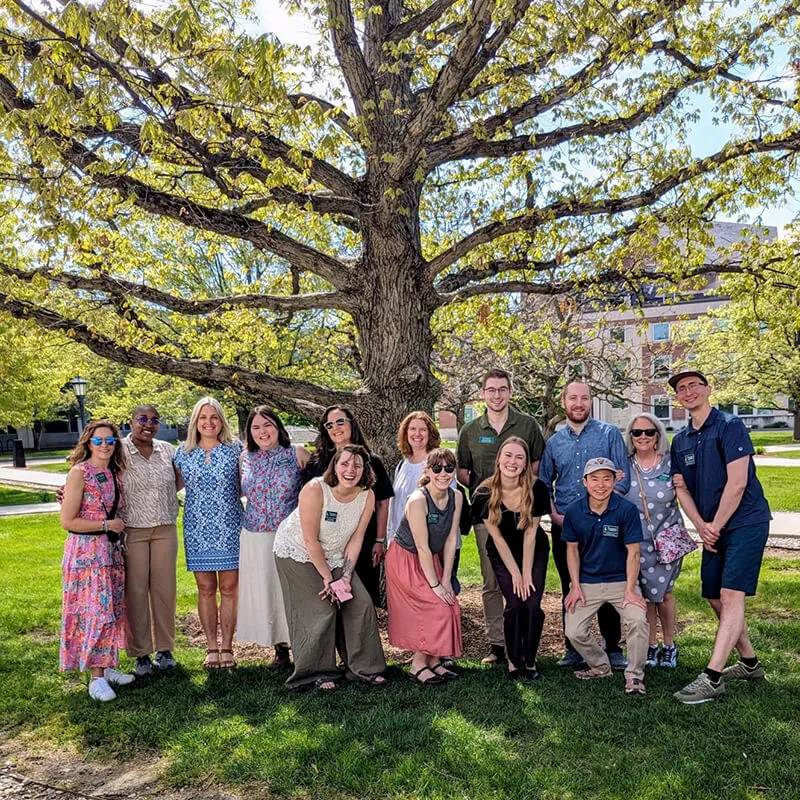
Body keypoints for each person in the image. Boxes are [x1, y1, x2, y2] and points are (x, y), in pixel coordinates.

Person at [668, 370, 772, 705]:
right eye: (682, 389)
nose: (688, 391)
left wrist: (716, 524)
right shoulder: (680, 440)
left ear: (708, 389)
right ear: (678, 398)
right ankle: (750, 664)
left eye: (694, 385)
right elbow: (681, 488)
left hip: (745, 522)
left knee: (730, 596)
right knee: (714, 596)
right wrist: (701, 525)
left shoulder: (730, 426)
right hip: (712, 527)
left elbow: (738, 482)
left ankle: (712, 678)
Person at [274, 445, 387, 690]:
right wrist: (328, 578)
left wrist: (345, 577)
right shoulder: (316, 489)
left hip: (336, 555)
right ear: (334, 466)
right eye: (345, 463)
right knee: (321, 606)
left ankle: (364, 669)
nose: (351, 470)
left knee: (361, 603)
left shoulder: (367, 495)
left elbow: (357, 538)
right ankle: (317, 672)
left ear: (365, 469)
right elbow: (310, 540)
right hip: (298, 554)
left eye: (357, 465)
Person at [456, 368, 545, 664]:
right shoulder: (469, 430)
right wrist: (489, 496)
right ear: (482, 393)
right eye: (491, 390)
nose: (496, 395)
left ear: (510, 391)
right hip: (489, 517)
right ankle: (497, 643)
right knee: (493, 580)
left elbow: (535, 466)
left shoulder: (528, 425)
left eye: (502, 389)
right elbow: (464, 472)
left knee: (524, 576)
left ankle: (523, 640)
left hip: (522, 515)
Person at [538, 381, 629, 670]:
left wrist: (604, 504)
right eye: (573, 398)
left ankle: (612, 647)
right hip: (567, 525)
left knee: (607, 581)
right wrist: (553, 513)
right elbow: (543, 483)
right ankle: (574, 647)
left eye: (584, 398)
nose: (579, 403)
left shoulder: (609, 434)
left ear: (591, 401)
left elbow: (623, 479)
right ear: (564, 402)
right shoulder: (554, 442)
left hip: (605, 524)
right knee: (570, 585)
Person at [59, 420, 135, 702]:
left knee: (112, 611)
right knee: (96, 612)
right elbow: (67, 520)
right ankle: (96, 678)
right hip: (87, 555)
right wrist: (106, 525)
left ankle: (106, 665)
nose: (104, 445)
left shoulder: (113, 473)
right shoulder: (79, 473)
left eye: (110, 441)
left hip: (111, 553)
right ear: (88, 443)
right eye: (98, 440)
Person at [563, 458, 649, 695]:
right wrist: (575, 586)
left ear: (615, 480)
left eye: (606, 479)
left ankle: (634, 676)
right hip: (587, 582)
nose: (601, 485)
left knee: (638, 620)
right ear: (585, 482)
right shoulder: (574, 511)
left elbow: (634, 552)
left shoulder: (626, 510)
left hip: (622, 581)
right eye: (595, 479)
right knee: (574, 631)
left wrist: (631, 590)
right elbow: (571, 550)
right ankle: (600, 666)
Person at [471, 438, 551, 680]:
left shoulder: (537, 488)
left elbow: (530, 536)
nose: (512, 462)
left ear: (526, 463)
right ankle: (514, 661)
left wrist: (526, 574)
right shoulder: (484, 493)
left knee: (532, 601)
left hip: (534, 549)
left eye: (519, 457)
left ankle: (530, 658)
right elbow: (496, 538)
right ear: (498, 459)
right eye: (508, 455)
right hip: (502, 550)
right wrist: (515, 574)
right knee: (515, 602)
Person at [173, 397, 243, 669]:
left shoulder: (235, 450)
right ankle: (210, 647)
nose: (209, 422)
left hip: (229, 526)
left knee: (228, 588)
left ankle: (227, 647)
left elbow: (247, 484)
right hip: (197, 527)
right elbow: (169, 486)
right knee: (205, 589)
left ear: (221, 421)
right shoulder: (183, 453)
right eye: (203, 418)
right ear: (195, 422)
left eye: (214, 417)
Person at [238, 406, 309, 667]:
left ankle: (302, 645)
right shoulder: (245, 457)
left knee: (290, 590)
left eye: (267, 425)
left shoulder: (296, 454)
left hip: (289, 534)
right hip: (255, 533)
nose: (262, 432)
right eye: (255, 427)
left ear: (278, 427)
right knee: (268, 591)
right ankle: (280, 649)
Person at [302, 405, 394, 607]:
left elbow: (382, 502)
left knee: (362, 595)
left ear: (352, 424)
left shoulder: (371, 461)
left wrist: (379, 540)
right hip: (324, 541)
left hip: (361, 538)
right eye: (329, 424)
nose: (335, 427)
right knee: (327, 597)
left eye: (340, 421)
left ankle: (360, 636)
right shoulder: (316, 462)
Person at [385, 448, 462, 686]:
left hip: (433, 559)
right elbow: (422, 547)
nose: (443, 473)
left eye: (448, 468)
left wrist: (447, 579)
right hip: (405, 559)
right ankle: (417, 664)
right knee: (435, 604)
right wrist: (435, 585)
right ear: (427, 471)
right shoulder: (418, 500)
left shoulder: (456, 496)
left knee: (450, 602)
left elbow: (451, 539)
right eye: (437, 468)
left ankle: (434, 660)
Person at [120, 406, 181, 677]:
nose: (149, 424)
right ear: (131, 421)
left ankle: (165, 649)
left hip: (164, 529)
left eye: (154, 420)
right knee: (135, 592)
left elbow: (177, 482)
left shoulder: (167, 450)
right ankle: (141, 653)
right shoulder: (119, 450)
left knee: (164, 590)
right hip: (132, 529)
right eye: (142, 419)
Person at [624, 412, 685, 669]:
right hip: (638, 543)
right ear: (631, 437)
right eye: (637, 433)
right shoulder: (625, 466)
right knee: (647, 596)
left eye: (649, 432)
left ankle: (669, 645)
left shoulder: (671, 464)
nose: (643, 437)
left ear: (657, 435)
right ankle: (650, 645)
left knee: (665, 595)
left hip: (667, 538)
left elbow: (687, 492)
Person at [389, 411, 469, 593]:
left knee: (440, 594)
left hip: (435, 547)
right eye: (412, 429)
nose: (417, 434)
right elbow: (396, 506)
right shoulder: (402, 465)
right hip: (407, 545)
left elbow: (447, 506)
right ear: (405, 433)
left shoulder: (439, 465)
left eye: (422, 430)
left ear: (430, 433)